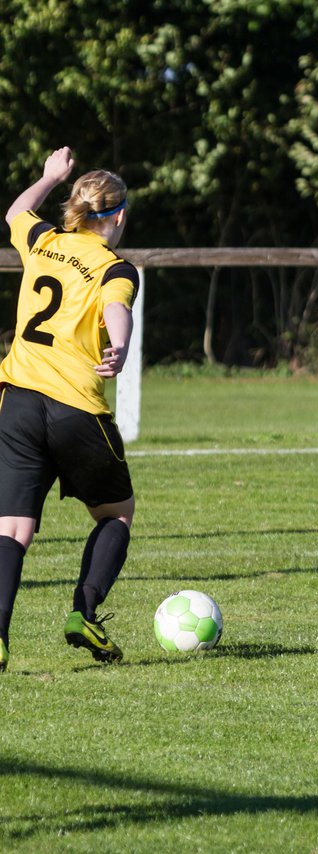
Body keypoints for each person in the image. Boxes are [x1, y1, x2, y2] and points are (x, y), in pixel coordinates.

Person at [0, 147, 139, 671]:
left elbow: (15, 214)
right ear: (118, 216)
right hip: (74, 407)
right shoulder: (115, 266)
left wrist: (46, 177)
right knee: (116, 514)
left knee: (11, 529)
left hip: (16, 401)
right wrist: (119, 348)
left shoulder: (43, 242)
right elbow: (116, 307)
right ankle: (83, 612)